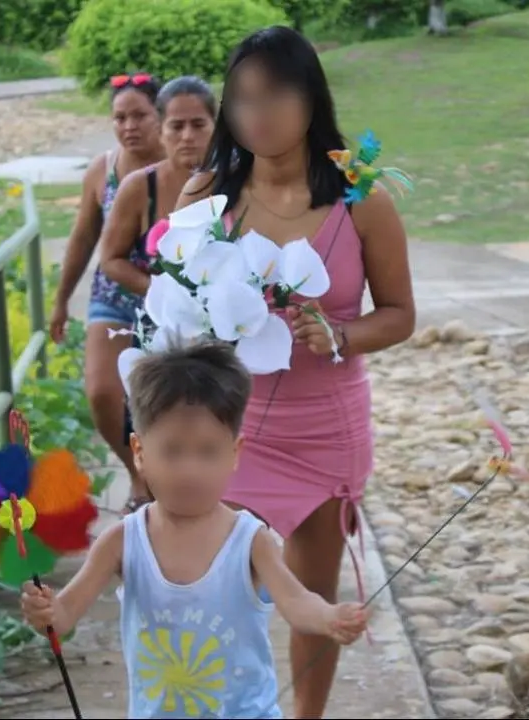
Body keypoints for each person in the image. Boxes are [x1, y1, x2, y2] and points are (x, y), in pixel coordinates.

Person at [176, 26, 415, 719]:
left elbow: (399, 314)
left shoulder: (360, 201)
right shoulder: (207, 196)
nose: (259, 114)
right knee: (218, 588)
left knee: (313, 600)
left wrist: (340, 333)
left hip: (325, 429)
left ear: (311, 98)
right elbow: (177, 309)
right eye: (243, 99)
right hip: (228, 426)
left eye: (275, 94)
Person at [19, 342, 370, 719]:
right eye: (171, 451)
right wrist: (46, 613)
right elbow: (66, 613)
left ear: (235, 453)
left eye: (207, 452)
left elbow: (297, 601)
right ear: (139, 451)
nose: (190, 471)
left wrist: (329, 618)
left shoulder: (251, 540)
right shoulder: (122, 541)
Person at [98, 76, 218, 513]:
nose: (187, 136)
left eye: (199, 125)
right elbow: (110, 257)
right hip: (153, 316)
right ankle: (159, 494)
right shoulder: (139, 187)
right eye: (176, 126)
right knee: (160, 411)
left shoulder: (241, 185)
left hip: (224, 324)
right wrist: (167, 292)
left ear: (217, 127)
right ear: (161, 131)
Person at [49, 72, 164, 502]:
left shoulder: (182, 164)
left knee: (164, 400)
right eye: (120, 118)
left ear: (160, 116)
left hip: (172, 299)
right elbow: (82, 238)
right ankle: (138, 472)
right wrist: (61, 300)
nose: (129, 126)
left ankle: (167, 480)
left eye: (140, 116)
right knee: (102, 392)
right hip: (113, 294)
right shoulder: (103, 169)